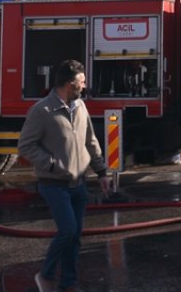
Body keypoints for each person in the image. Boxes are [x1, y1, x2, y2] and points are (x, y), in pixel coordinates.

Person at [19, 59, 111, 292]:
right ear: (70, 84)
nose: (85, 85)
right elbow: (26, 146)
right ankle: (46, 274)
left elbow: (91, 140)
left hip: (78, 184)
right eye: (82, 81)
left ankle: (69, 282)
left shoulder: (80, 106)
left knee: (75, 236)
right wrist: (51, 164)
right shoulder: (42, 110)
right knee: (67, 230)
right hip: (54, 184)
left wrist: (101, 172)